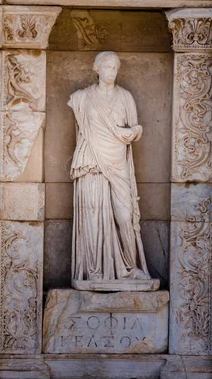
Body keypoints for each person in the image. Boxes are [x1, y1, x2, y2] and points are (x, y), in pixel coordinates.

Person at [68, 51, 152, 284]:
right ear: (97, 69)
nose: (112, 72)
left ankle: (130, 267)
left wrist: (133, 132)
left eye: (115, 68)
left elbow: (135, 129)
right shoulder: (82, 98)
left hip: (117, 161)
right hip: (91, 161)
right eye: (107, 67)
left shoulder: (125, 97)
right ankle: (94, 272)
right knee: (93, 216)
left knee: (125, 215)